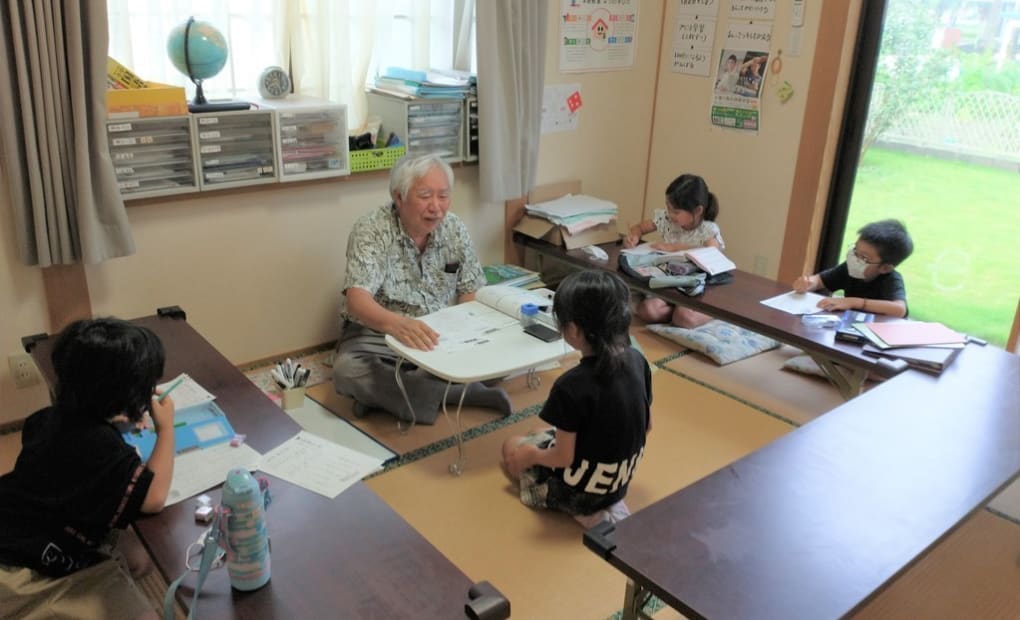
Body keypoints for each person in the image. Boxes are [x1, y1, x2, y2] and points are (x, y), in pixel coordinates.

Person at [0, 318, 175, 620]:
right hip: (26, 568)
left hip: (15, 522)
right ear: (123, 396)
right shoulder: (101, 448)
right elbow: (153, 498)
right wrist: (166, 429)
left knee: (138, 557)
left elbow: (79, 456)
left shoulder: (46, 418)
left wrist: (119, 422)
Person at [333, 153, 512, 425]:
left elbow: (470, 290)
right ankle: (460, 393)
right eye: (426, 196)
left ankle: (391, 396)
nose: (436, 207)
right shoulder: (371, 229)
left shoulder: (454, 228)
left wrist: (469, 335)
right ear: (399, 197)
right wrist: (399, 325)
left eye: (443, 196)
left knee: (500, 354)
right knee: (347, 371)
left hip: (438, 331)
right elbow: (357, 300)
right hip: (380, 333)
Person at [501, 270, 651, 528]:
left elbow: (563, 458)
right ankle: (609, 501)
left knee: (512, 445)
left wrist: (530, 455)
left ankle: (592, 514)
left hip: (579, 493)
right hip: (618, 482)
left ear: (573, 329)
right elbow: (646, 426)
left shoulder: (571, 385)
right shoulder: (638, 360)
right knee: (538, 431)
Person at [623, 173, 723, 328]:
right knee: (648, 310)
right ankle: (675, 312)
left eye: (676, 212)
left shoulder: (708, 229)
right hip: (668, 281)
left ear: (697, 211)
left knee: (685, 318)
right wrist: (633, 236)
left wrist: (675, 248)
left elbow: (712, 252)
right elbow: (640, 228)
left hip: (694, 284)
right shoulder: (667, 220)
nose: (670, 215)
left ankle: (713, 313)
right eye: (668, 208)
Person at [792, 219, 913, 317]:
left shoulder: (891, 279)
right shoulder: (849, 268)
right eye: (855, 250)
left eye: (864, 257)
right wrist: (808, 283)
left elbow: (899, 309)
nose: (854, 259)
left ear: (885, 268)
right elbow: (820, 280)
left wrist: (853, 302)